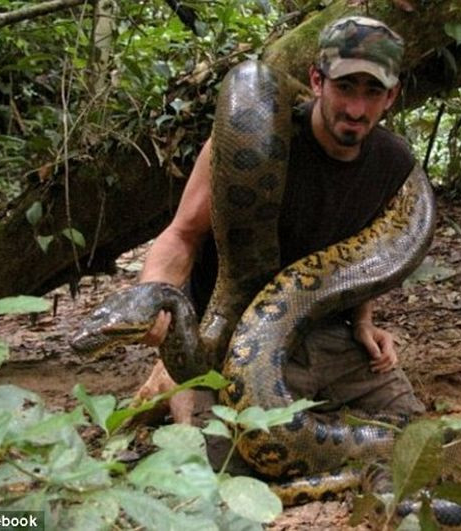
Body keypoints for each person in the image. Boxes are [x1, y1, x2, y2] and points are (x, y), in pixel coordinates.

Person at [134, 16, 427, 426]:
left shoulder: (391, 163)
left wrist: (363, 321)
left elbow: (361, 248)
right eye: (344, 87)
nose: (356, 109)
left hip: (319, 331)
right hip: (227, 335)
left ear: (391, 96)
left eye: (372, 92)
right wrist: (152, 299)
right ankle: (175, 385)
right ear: (316, 81)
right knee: (223, 462)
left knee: (411, 431)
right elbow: (182, 235)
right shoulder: (246, 139)